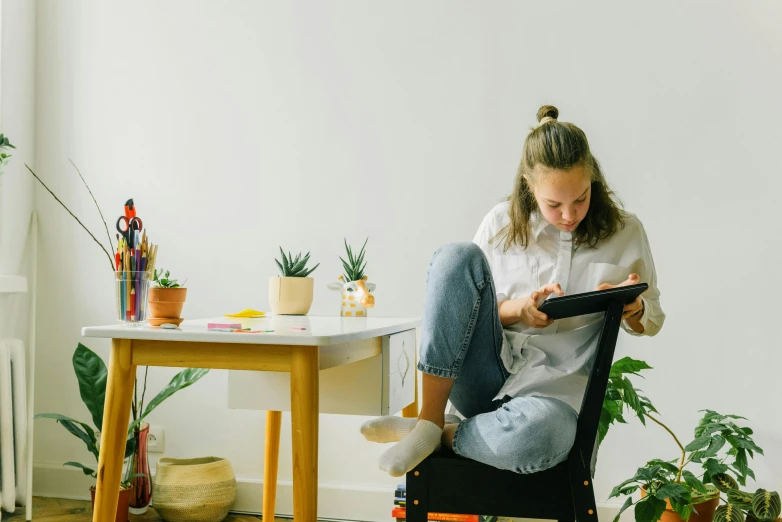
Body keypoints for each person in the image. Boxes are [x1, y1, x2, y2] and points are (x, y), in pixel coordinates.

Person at [361, 105, 665, 477]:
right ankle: (429, 418)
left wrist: (633, 309)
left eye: (580, 199)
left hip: (555, 399)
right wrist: (518, 309)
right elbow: (466, 307)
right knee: (456, 257)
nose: (569, 215)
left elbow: (652, 319)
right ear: (528, 185)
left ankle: (439, 434)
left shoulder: (625, 231)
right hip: (488, 375)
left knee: (545, 434)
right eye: (554, 204)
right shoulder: (500, 222)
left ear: (594, 180)